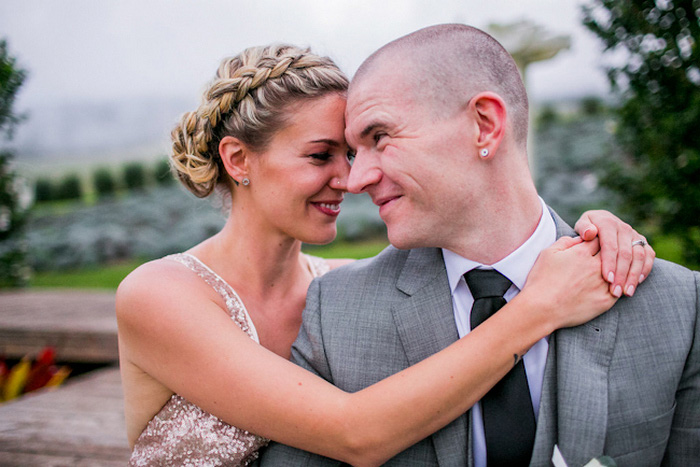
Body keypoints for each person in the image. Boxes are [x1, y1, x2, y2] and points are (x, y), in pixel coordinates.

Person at [117, 44, 653, 467]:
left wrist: (593, 234)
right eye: (320, 155)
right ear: (238, 160)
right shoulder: (160, 296)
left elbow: (491, 243)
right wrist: (539, 309)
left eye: (352, 154)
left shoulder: (343, 290)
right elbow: (354, 434)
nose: (350, 179)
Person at [258, 25, 699, 467]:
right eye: (356, 152)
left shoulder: (677, 305)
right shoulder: (335, 314)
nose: (356, 180)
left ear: (484, 126)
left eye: (379, 138)